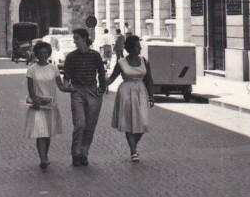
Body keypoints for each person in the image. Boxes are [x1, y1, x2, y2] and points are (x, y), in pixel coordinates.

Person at [60, 27, 106, 167]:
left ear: (84, 39)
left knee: (90, 126)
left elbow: (101, 73)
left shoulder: (95, 55)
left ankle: (84, 153)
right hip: (77, 92)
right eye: (74, 39)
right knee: (80, 124)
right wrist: (68, 86)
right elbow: (66, 75)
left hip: (93, 91)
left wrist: (102, 88)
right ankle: (75, 153)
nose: (75, 41)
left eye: (77, 39)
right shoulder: (71, 57)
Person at [107, 35, 155, 161]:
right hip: (126, 93)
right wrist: (101, 86)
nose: (140, 48)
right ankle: (133, 151)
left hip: (141, 92)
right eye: (138, 46)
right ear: (131, 48)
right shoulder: (121, 62)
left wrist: (151, 95)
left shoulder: (144, 61)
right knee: (129, 122)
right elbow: (112, 78)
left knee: (143, 123)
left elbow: (149, 80)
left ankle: (133, 145)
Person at [25, 40, 63, 170]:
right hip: (38, 106)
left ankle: (45, 155)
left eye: (46, 53)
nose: (43, 55)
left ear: (49, 54)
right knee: (41, 132)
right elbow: (30, 88)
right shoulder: (31, 69)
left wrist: (71, 89)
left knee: (47, 133)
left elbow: (60, 86)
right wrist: (34, 100)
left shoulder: (54, 68)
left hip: (51, 105)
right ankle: (43, 159)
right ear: (36, 54)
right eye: (40, 53)